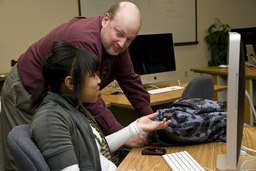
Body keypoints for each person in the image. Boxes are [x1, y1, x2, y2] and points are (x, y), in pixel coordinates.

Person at [1, 1, 154, 170]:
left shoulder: (118, 43)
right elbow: (93, 103)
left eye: (129, 40)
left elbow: (130, 81)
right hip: (24, 89)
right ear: (105, 20)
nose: (122, 44)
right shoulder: (83, 40)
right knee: (24, 160)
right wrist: (125, 137)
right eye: (119, 34)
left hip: (56, 96)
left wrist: (153, 124)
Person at [29, 40, 171, 171]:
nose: (99, 80)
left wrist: (136, 127)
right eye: (92, 75)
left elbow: (94, 149)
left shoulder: (72, 107)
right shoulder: (51, 120)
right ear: (70, 83)